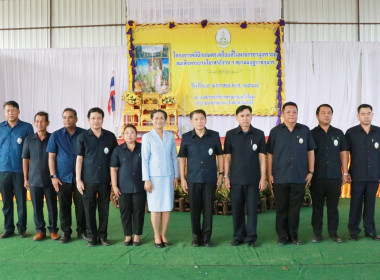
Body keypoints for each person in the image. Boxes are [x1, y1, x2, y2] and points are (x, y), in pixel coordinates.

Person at [267, 101, 316, 246]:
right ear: (283, 114)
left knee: (295, 209)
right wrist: (270, 174)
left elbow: (310, 151)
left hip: (299, 176)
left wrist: (311, 171)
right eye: (288, 112)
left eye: (294, 112)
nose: (291, 114)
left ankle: (294, 236)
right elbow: (270, 153)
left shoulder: (304, 130)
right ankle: (282, 236)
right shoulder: (275, 131)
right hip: (280, 177)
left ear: (297, 113)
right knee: (281, 208)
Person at [178, 109, 223, 247]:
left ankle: (207, 238)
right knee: (195, 210)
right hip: (193, 179)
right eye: (196, 119)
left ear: (205, 120)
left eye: (201, 118)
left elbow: (220, 155)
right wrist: (183, 178)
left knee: (209, 210)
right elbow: (182, 159)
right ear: (191, 121)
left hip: (210, 179)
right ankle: (196, 238)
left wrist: (221, 174)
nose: (199, 121)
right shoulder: (186, 137)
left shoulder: (214, 136)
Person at [224, 105, 266, 247]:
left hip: (253, 179)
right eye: (242, 116)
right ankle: (238, 236)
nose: (245, 118)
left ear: (251, 116)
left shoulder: (259, 134)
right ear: (237, 117)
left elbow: (262, 158)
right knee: (237, 209)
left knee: (252, 210)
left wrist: (263, 178)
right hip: (236, 179)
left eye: (247, 115)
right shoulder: (230, 135)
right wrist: (226, 176)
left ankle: (251, 237)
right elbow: (227, 158)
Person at [75, 107, 118, 246]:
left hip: (105, 180)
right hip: (88, 180)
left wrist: (114, 181)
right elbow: (79, 159)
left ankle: (103, 236)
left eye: (99, 118)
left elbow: (115, 160)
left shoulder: (110, 137)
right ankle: (92, 236)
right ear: (88, 120)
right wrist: (78, 179)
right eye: (93, 118)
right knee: (89, 209)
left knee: (104, 209)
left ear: (103, 120)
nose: (96, 121)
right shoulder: (82, 137)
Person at [47, 108, 87, 244]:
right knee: (64, 206)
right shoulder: (56, 135)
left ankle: (82, 231)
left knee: (81, 205)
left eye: (70, 117)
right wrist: (53, 176)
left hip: (80, 178)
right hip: (62, 178)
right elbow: (51, 156)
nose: (67, 120)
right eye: (64, 117)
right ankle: (66, 231)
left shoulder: (84, 134)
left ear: (76, 119)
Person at [310, 104, 349, 243]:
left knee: (333, 207)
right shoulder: (311, 133)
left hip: (334, 176)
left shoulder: (339, 133)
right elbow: (308, 155)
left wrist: (345, 173)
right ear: (317, 115)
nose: (326, 115)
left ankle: (333, 233)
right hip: (317, 177)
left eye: (329, 113)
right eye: (323, 113)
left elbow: (343, 153)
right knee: (317, 207)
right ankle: (317, 233)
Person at [142, 109, 179, 248]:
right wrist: (146, 179)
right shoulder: (147, 137)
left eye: (161, 118)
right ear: (152, 120)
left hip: (168, 176)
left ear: (165, 120)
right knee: (156, 207)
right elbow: (144, 160)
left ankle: (164, 234)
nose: (159, 121)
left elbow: (174, 157)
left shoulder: (170, 136)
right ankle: (156, 235)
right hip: (154, 177)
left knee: (167, 207)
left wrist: (176, 176)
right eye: (156, 118)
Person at [22, 112, 59, 241]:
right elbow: (25, 159)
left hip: (50, 180)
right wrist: (26, 178)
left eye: (42, 121)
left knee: (52, 206)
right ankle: (40, 231)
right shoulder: (29, 139)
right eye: (37, 121)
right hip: (34, 179)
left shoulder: (53, 137)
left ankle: (53, 230)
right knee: (37, 207)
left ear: (47, 123)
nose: (39, 123)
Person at [345, 104, 380, 241]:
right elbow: (346, 153)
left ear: (372, 115)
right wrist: (346, 173)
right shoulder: (351, 132)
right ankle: (353, 232)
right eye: (363, 114)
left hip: (374, 175)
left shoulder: (378, 132)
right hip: (357, 175)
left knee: (371, 205)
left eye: (369, 113)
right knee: (355, 204)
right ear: (358, 116)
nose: (366, 116)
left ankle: (370, 231)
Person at [0, 101, 33, 238]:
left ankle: (21, 228)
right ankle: (8, 229)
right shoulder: (1, 127)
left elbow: (31, 150)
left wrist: (29, 173)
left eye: (13, 110)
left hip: (20, 171)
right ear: (4, 112)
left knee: (21, 201)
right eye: (7, 110)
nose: (10, 113)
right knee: (6, 202)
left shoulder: (26, 127)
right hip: (3, 170)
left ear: (18, 111)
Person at [110, 124, 146, 246]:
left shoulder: (143, 148)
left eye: (132, 132)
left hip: (139, 185)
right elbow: (113, 169)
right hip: (123, 186)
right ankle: (127, 236)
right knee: (125, 211)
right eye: (127, 133)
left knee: (138, 211)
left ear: (136, 134)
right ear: (123, 135)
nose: (129, 135)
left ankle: (137, 236)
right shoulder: (118, 150)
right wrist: (114, 186)